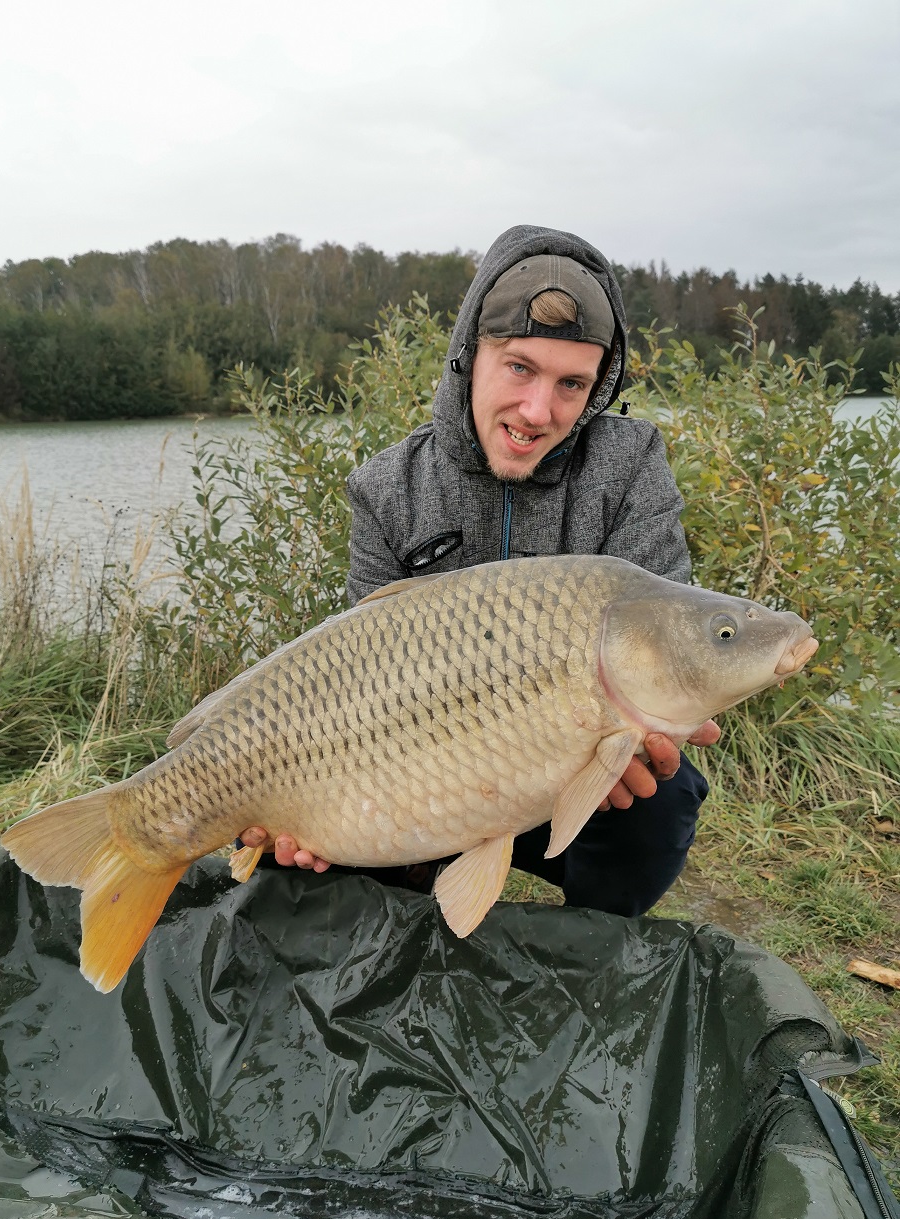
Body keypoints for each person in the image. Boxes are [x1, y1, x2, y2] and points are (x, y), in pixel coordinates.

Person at [238, 224, 718, 915]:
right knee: (309, 850)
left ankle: (592, 943)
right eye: (519, 367)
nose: (537, 411)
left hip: (576, 766)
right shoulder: (388, 488)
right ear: (470, 355)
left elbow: (669, 634)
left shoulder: (630, 465)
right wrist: (309, 814)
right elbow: (354, 679)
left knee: (660, 792)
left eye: (572, 383)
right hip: (425, 772)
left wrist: (650, 730)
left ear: (599, 385)